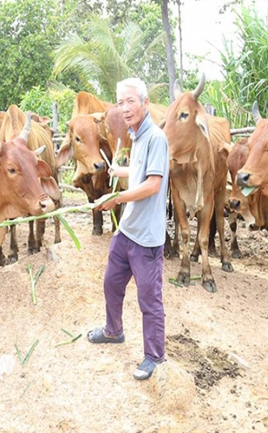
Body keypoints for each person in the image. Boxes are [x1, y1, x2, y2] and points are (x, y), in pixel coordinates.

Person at [88, 77, 169, 381]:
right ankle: (113, 331)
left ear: (145, 103)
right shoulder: (137, 136)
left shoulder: (156, 138)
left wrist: (117, 197)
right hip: (127, 231)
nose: (124, 108)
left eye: (130, 101)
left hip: (146, 238)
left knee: (149, 300)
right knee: (111, 283)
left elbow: (153, 183)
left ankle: (154, 356)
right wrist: (119, 171)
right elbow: (141, 172)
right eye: (120, 102)